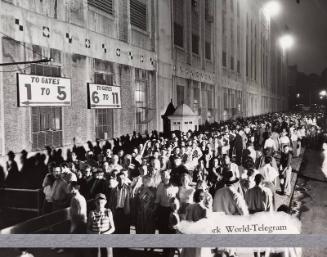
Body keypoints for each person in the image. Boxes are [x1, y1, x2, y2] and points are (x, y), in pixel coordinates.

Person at [155, 169, 178, 234]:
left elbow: (177, 199)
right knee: (162, 229)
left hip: (171, 210)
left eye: (166, 175)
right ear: (161, 177)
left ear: (169, 176)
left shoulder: (174, 186)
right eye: (162, 175)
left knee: (171, 229)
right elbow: (157, 200)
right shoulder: (160, 186)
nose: (164, 176)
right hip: (162, 210)